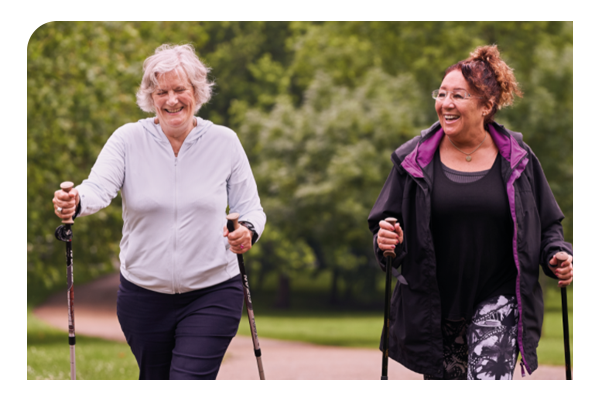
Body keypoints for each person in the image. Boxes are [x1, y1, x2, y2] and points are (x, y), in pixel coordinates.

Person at [52, 44, 266, 380]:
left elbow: (250, 207)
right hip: (143, 295)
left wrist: (248, 231)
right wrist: (75, 200)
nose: (171, 100)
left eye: (180, 89)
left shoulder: (224, 142)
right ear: (150, 97)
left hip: (213, 290)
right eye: (161, 91)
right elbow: (98, 188)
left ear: (197, 92)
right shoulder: (127, 140)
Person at [367, 45, 573, 380]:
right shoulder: (413, 160)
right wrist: (387, 239)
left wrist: (558, 254)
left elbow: (548, 223)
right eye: (442, 93)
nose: (445, 103)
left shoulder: (518, 158)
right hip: (436, 305)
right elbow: (386, 226)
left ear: (486, 106)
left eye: (458, 95)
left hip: (499, 298)